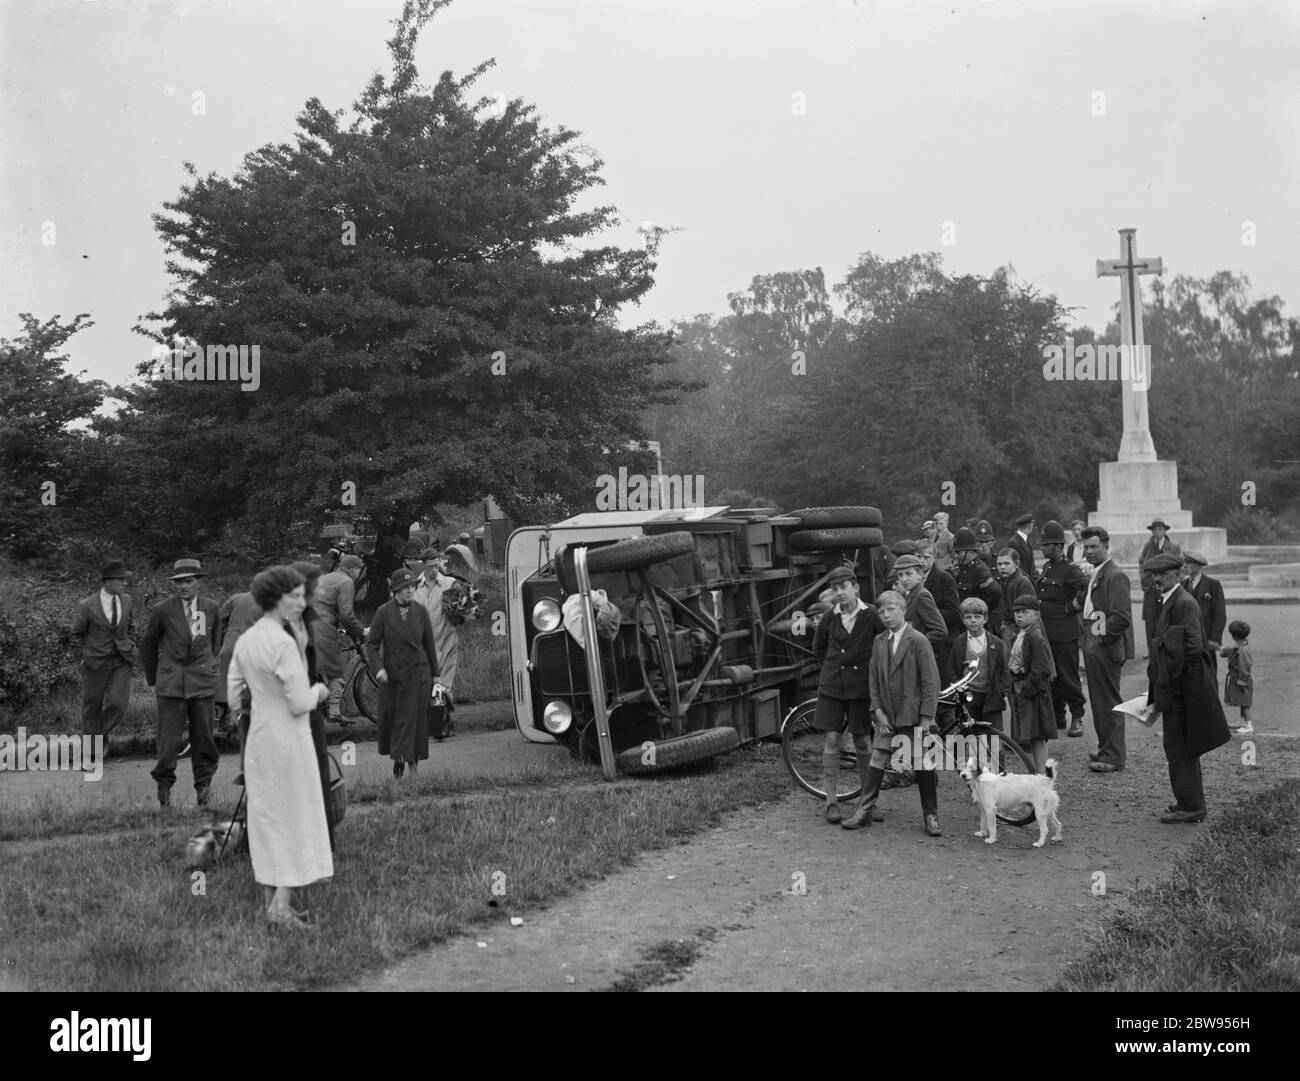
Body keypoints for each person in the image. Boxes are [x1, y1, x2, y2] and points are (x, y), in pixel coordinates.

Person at [227, 565, 333, 929]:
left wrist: (261, 703)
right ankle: (280, 905)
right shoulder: (282, 642)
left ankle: (271, 900)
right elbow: (299, 701)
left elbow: (235, 698)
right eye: (296, 595)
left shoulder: (247, 640)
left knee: (267, 817)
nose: (302, 601)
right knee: (293, 815)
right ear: (279, 598)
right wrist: (320, 691)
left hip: (259, 738)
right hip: (290, 739)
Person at [1144, 552, 1231, 823]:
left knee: (1181, 747)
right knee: (1177, 746)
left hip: (1182, 690)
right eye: (1153, 575)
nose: (1156, 580)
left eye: (1162, 574)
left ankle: (1191, 806)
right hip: (1176, 688)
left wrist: (1169, 679)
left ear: (1178, 574)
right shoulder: (1170, 600)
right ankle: (1187, 800)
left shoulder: (1184, 603)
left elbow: (1193, 648)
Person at [846, 590, 941, 835]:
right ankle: (863, 811)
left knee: (922, 761)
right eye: (882, 611)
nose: (886, 615)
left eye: (891, 609)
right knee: (878, 757)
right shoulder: (880, 642)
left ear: (903, 610)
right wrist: (877, 710)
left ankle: (930, 815)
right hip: (887, 716)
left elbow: (931, 682)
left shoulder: (918, 640)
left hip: (913, 715)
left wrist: (926, 718)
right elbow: (874, 679)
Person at [140, 558, 223, 809]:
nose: (184, 587)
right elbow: (147, 644)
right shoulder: (163, 610)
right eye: (179, 583)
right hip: (172, 684)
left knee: (205, 738)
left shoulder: (211, 608)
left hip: (201, 683)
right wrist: (154, 678)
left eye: (189, 582)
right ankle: (164, 790)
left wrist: (207, 667)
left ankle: (203, 788)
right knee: (168, 741)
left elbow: (214, 641)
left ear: (199, 583)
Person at [810, 567, 886, 825]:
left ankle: (868, 801)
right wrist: (834, 670)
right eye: (835, 589)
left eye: (844, 587)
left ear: (856, 588)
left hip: (860, 689)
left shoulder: (872, 615)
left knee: (863, 741)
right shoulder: (830, 618)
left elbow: (884, 644)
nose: (840, 593)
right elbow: (819, 649)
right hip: (832, 687)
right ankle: (831, 802)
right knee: (832, 739)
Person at [366, 567, 440, 778]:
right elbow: (371, 645)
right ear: (395, 589)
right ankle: (399, 758)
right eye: (405, 587)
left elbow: (429, 644)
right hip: (394, 677)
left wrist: (436, 675)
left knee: (416, 723)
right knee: (398, 721)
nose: (410, 590)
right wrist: (379, 669)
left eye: (412, 586)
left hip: (419, 676)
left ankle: (413, 768)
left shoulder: (420, 610)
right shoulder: (383, 612)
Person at [291, 562, 342, 852]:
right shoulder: (289, 623)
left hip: (309, 716)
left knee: (317, 775)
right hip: (298, 712)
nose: (321, 590)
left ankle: (322, 842)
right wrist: (317, 692)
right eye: (316, 585)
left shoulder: (306, 619)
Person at [1078, 528, 1134, 773]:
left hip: (1104, 644)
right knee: (1099, 701)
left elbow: (1120, 617)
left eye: (1094, 547)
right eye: (1086, 547)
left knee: (1109, 701)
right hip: (1093, 637)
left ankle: (1113, 756)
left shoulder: (1115, 575)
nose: (1089, 552)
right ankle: (1106, 748)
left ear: (1106, 547)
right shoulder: (1099, 572)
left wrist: (1097, 638)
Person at [70, 559, 139, 744]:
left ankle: (94, 740)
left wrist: (130, 645)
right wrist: (83, 657)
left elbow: (130, 627)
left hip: (122, 660)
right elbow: (76, 634)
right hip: (95, 662)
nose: (125, 583)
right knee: (92, 706)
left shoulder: (127, 600)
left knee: (118, 705)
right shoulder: (86, 605)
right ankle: (92, 751)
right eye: (121, 579)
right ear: (108, 582)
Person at [1035, 520, 1089, 735]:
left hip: (1065, 634)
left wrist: (1073, 606)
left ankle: (1077, 717)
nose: (1042, 547)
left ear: (1058, 546)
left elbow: (1088, 589)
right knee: (1052, 676)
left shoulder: (1070, 569)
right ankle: (1058, 717)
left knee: (1068, 677)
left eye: (1046, 544)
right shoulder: (1048, 567)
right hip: (1047, 633)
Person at [1006, 596, 1056, 773]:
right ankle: (1039, 772)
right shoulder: (1022, 633)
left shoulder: (1035, 636)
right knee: (1033, 735)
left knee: (1037, 735)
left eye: (1025, 612)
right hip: (1022, 688)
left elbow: (1041, 669)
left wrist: (1025, 689)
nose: (1019, 616)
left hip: (1033, 692)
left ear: (1036, 615)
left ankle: (1042, 774)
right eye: (1017, 612)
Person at [316, 553, 367, 725]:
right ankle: (335, 711)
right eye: (359, 569)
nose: (359, 572)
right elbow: (346, 615)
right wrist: (361, 632)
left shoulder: (325, 578)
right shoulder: (346, 582)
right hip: (321, 628)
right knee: (336, 667)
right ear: (352, 568)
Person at [413, 549, 465, 715]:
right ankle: (431, 720)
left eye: (436, 566)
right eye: (430, 567)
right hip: (423, 647)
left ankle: (443, 722)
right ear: (423, 566)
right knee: (427, 685)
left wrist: (462, 613)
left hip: (447, 641)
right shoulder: (414, 588)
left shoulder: (450, 584)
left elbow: (467, 611)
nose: (434, 570)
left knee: (445, 685)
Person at [950, 597, 1010, 729]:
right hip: (968, 696)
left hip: (991, 696)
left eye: (977, 616)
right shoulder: (959, 642)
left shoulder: (996, 643)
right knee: (968, 735)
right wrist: (959, 690)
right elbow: (953, 669)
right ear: (963, 620)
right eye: (968, 617)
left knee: (992, 737)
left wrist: (1003, 692)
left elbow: (1004, 671)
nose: (973, 620)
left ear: (985, 619)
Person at [892, 554, 950, 685]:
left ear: (920, 574)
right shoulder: (908, 595)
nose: (904, 579)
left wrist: (915, 646)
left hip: (919, 659)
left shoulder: (921, 595)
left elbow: (940, 631)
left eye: (908, 574)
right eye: (900, 575)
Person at [216, 588, 261, 737]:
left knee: (229, 682)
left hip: (231, 644)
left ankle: (227, 717)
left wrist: (225, 636)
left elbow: (220, 619)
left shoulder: (235, 598)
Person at [1181, 551, 1226, 678]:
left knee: (1208, 674)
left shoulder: (1213, 585)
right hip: (1186, 640)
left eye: (1188, 563)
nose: (1184, 566)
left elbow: (1219, 614)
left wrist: (1214, 639)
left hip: (1206, 639)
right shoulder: (1182, 585)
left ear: (1198, 566)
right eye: (1184, 563)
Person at [1138, 518, 1183, 642]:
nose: (1157, 532)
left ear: (1164, 531)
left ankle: (1166, 644)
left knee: (1166, 615)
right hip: (1151, 586)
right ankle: (1151, 647)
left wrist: (1173, 581)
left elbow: (1178, 565)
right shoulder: (1147, 547)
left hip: (1167, 585)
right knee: (1150, 618)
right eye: (1155, 530)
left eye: (1160, 529)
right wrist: (1145, 579)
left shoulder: (1173, 547)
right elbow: (1142, 564)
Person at [951, 526, 1003, 628]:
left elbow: (996, 592)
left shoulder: (980, 570)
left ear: (969, 551)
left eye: (958, 552)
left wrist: (979, 611)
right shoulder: (961, 568)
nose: (956, 555)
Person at [915, 538, 962, 641]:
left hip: (941, 640)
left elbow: (954, 613)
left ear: (934, 557)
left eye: (926, 557)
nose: (921, 561)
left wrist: (926, 616)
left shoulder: (945, 579)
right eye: (918, 557)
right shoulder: (912, 579)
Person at [995, 549, 1036, 644]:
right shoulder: (1001, 582)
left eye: (1007, 563)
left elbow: (1028, 615)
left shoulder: (1023, 582)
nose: (1002, 567)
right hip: (1006, 629)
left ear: (1017, 564)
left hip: (1020, 632)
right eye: (999, 564)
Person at [1221, 620, 1253, 735]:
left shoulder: (1242, 650)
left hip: (1242, 680)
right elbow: (1233, 651)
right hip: (1239, 679)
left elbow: (1245, 666)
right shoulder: (1241, 645)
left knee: (1245, 703)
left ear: (1234, 636)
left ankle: (1248, 725)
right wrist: (1224, 651)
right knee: (1242, 701)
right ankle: (1243, 721)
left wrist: (1242, 680)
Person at [1006, 514, 1037, 582]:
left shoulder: (1025, 540)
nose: (1032, 527)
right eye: (1032, 525)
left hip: (1029, 582)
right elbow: (1013, 567)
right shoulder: (1014, 543)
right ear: (1029, 526)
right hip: (1021, 583)